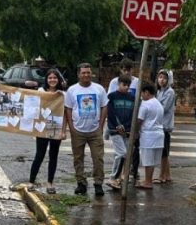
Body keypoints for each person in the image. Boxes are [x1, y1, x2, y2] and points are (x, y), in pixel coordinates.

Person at [64, 63, 108, 196]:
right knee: (78, 158)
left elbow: (104, 106)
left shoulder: (99, 89)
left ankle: (98, 183)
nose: (86, 75)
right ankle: (81, 183)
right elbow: (68, 109)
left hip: (95, 130)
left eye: (88, 72)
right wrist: (71, 127)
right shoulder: (72, 90)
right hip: (78, 130)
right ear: (79, 74)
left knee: (98, 158)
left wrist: (101, 125)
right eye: (83, 73)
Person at [28, 69, 67, 194]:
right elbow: (33, 108)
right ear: (46, 80)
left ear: (58, 79)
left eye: (55, 78)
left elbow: (65, 113)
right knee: (39, 155)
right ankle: (31, 181)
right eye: (50, 78)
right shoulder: (40, 92)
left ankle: (50, 182)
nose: (52, 80)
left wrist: (63, 131)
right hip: (42, 126)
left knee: (53, 156)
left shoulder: (62, 94)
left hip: (55, 125)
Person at [105, 74, 136, 190]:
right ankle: (113, 177)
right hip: (114, 129)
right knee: (122, 153)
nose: (126, 87)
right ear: (118, 84)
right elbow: (110, 113)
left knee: (124, 154)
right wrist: (117, 125)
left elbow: (133, 114)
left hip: (127, 130)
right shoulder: (112, 96)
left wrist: (126, 126)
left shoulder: (132, 98)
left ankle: (117, 179)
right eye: (124, 85)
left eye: (128, 85)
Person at [135, 82, 164, 189]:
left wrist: (135, 132)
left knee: (148, 160)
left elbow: (139, 120)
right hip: (159, 135)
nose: (141, 96)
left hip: (148, 135)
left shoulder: (145, 104)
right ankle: (148, 180)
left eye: (142, 93)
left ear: (146, 92)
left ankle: (148, 182)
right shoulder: (158, 104)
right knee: (152, 161)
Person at [155, 69, 176, 184]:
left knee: (163, 153)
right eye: (160, 77)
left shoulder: (170, 92)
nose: (161, 80)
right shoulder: (159, 92)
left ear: (168, 80)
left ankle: (162, 175)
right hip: (159, 125)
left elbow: (163, 108)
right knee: (164, 152)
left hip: (165, 126)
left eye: (164, 78)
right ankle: (167, 175)